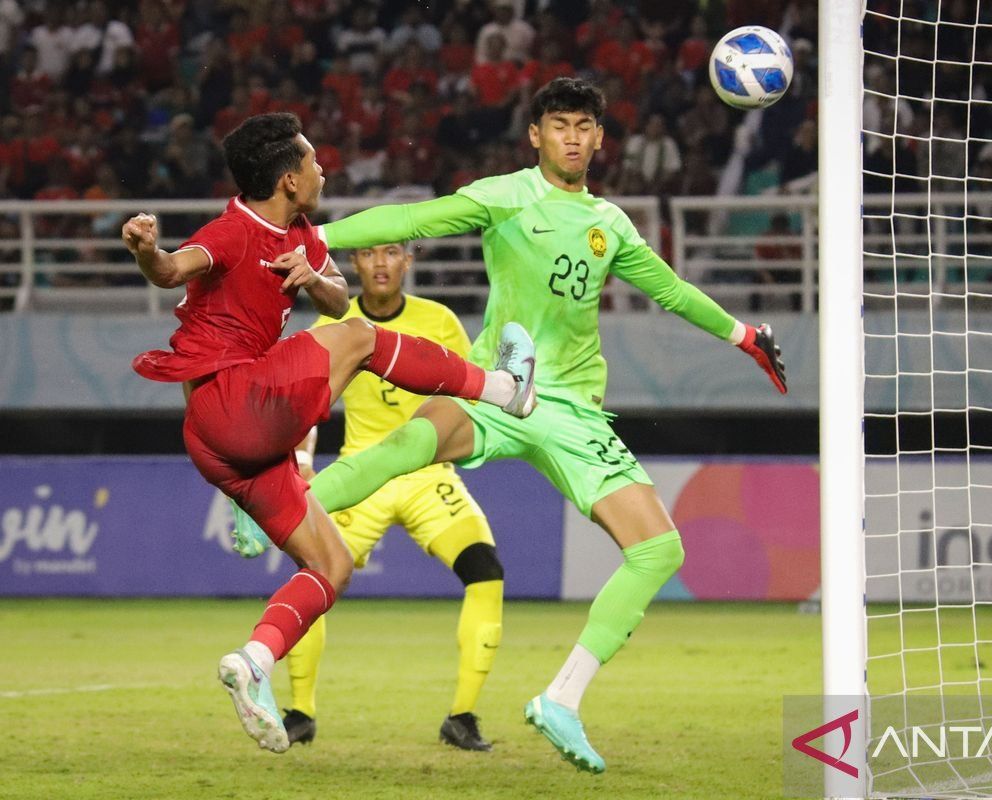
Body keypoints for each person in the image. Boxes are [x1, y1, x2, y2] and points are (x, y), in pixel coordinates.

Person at [236, 78, 787, 773]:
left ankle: (562, 698)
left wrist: (745, 336)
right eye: (560, 125)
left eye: (585, 126)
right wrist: (316, 244)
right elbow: (411, 219)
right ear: (536, 135)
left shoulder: (610, 225)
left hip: (572, 410)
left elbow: (671, 291)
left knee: (659, 552)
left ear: (600, 137)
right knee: (407, 442)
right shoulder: (505, 195)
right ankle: (270, 512)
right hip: (503, 386)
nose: (574, 138)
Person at [122, 112, 536, 755]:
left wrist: (312, 277)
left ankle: (254, 662)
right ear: (289, 179)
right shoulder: (236, 229)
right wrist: (148, 250)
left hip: (218, 446)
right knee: (364, 339)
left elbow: (338, 300)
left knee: (331, 565)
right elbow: (176, 269)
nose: (324, 169)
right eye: (314, 162)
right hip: (234, 401)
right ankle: (504, 389)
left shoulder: (303, 235)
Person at [280, 242, 505, 752]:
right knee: (312, 580)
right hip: (363, 473)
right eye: (368, 254)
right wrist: (303, 463)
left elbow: (470, 394)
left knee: (485, 571)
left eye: (392, 253)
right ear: (354, 264)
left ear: (408, 261)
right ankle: (300, 712)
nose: (380, 263)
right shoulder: (331, 324)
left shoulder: (440, 319)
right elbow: (305, 407)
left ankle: (462, 716)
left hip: (428, 475)